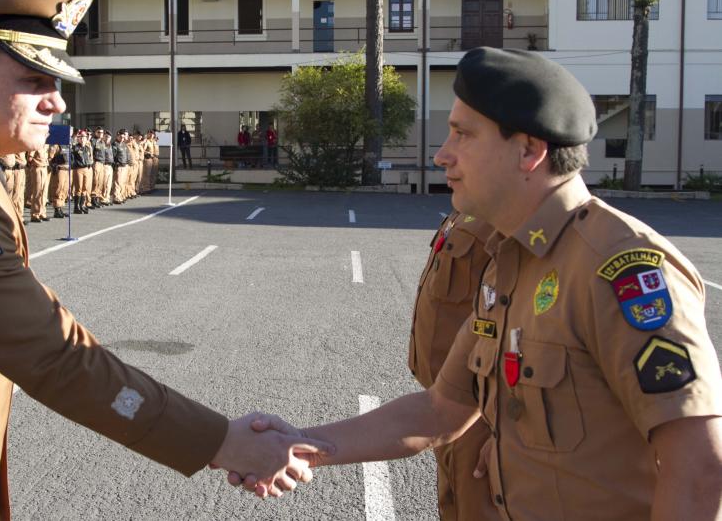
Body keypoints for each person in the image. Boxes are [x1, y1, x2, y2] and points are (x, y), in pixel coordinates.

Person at [0, 0, 329, 520]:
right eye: (34, 82)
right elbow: (53, 354)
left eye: (55, 82)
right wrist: (220, 441)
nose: (56, 101)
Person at [235, 48, 722, 517]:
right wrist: (301, 445)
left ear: (529, 149)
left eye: (462, 135)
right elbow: (439, 412)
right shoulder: (510, 257)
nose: (443, 155)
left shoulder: (622, 269)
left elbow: (699, 470)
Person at [409, 210, 497, 521]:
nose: (443, 158)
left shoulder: (510, 224)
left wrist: (501, 430)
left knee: (474, 508)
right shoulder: (466, 211)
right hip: (446, 398)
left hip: (481, 412)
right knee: (452, 503)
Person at [27, 143, 50, 223]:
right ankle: (35, 214)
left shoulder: (46, 144)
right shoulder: (36, 144)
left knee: (44, 192)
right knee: (37, 192)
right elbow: (30, 158)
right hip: (37, 168)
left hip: (44, 168)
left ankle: (42, 213)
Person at [71, 130, 93, 214]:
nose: (83, 139)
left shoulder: (87, 148)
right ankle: (76, 207)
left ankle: (82, 205)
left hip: (86, 168)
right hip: (79, 169)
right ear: (78, 139)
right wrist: (75, 165)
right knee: (78, 188)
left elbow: (90, 158)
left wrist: (90, 164)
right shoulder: (75, 148)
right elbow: (72, 159)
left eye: (84, 137)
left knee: (85, 187)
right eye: (81, 137)